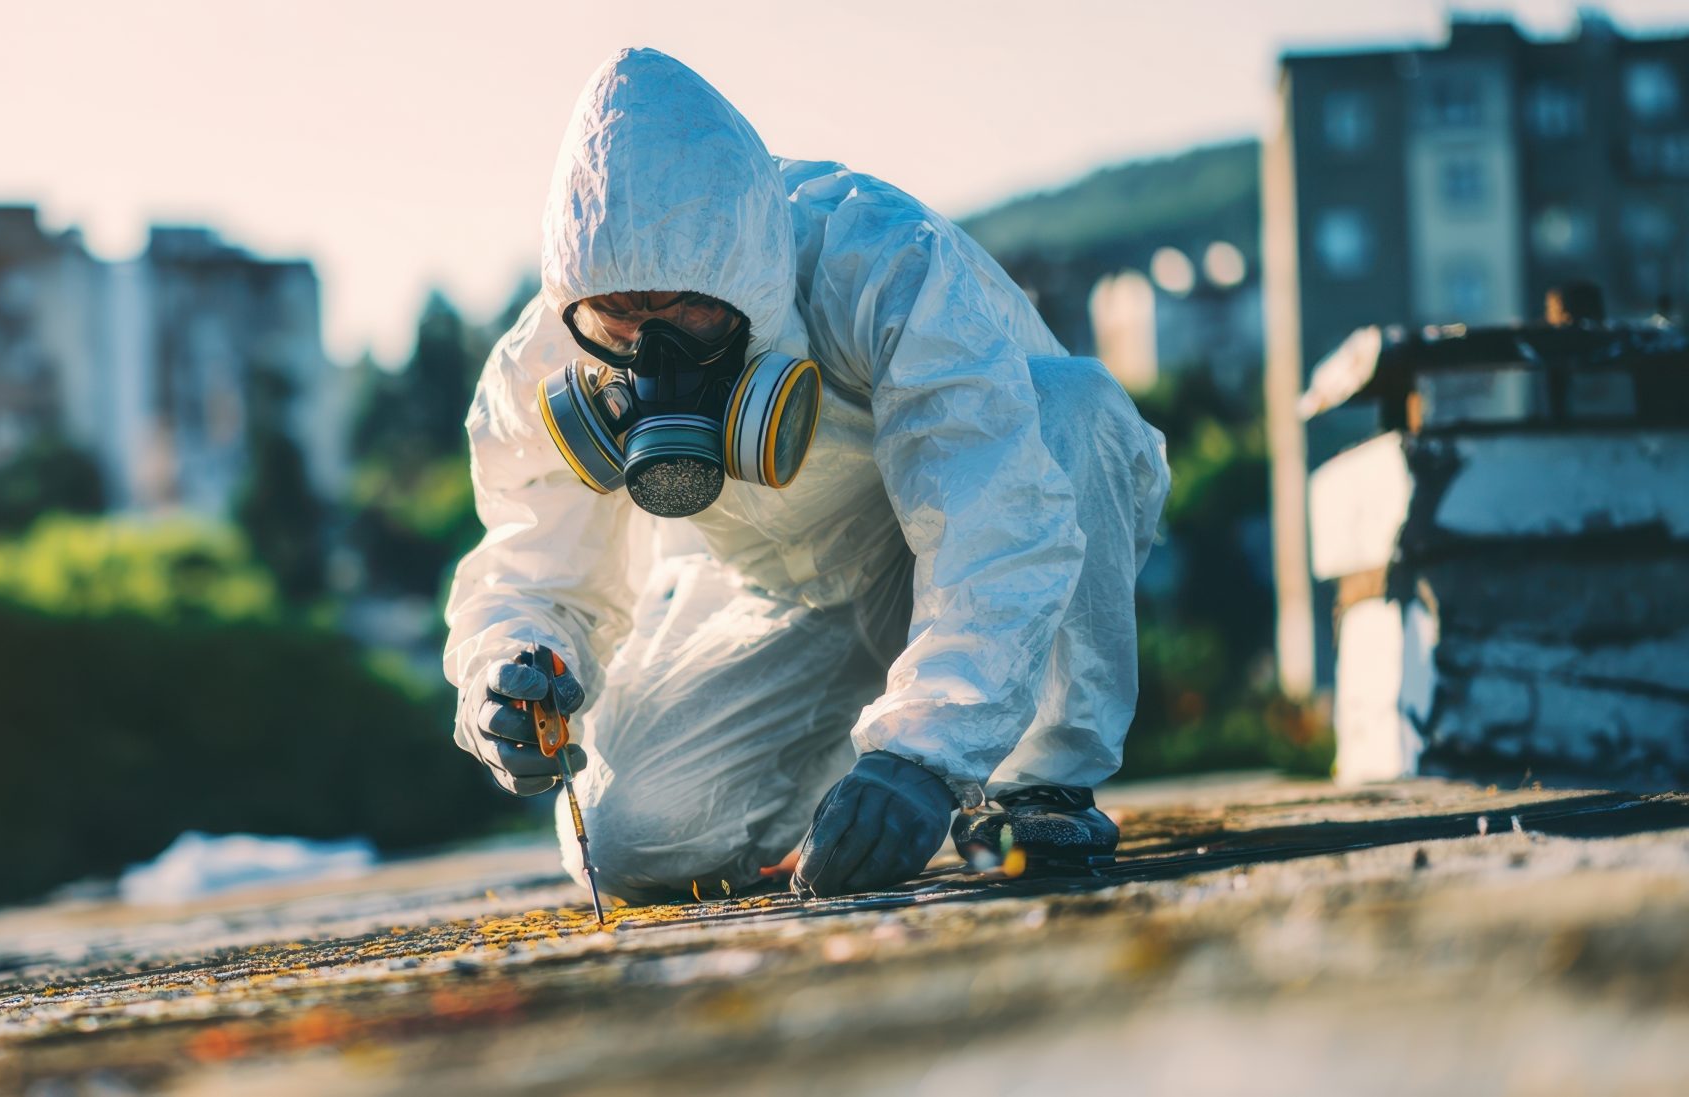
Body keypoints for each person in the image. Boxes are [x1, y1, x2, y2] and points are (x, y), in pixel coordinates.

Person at [443, 48, 1171, 903]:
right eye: (625, 317)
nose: (656, 355)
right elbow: (537, 562)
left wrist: (926, 755)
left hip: (955, 551)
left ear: (749, 278)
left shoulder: (882, 264)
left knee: (1068, 407)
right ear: (578, 298)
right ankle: (848, 791)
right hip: (773, 595)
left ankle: (1036, 785)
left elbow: (996, 513)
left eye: (686, 312)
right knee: (623, 840)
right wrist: (517, 663)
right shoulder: (545, 358)